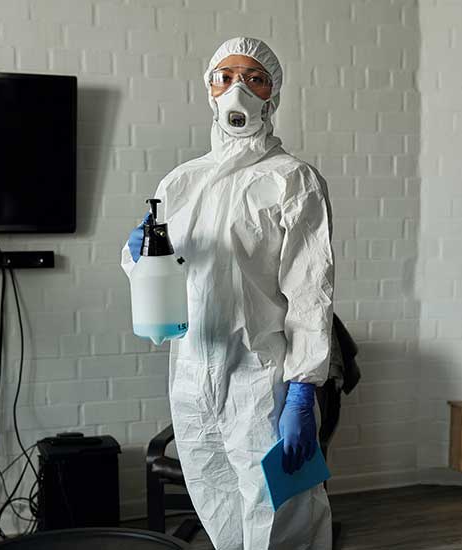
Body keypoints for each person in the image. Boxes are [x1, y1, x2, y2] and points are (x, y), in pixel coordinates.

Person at [122, 37, 334, 550]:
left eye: (254, 78)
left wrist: (302, 391)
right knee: (217, 504)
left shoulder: (293, 180)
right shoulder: (179, 183)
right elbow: (153, 269)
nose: (238, 88)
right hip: (191, 372)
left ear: (272, 95)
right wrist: (135, 254)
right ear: (210, 90)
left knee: (280, 512)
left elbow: (311, 292)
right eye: (225, 77)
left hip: (260, 379)